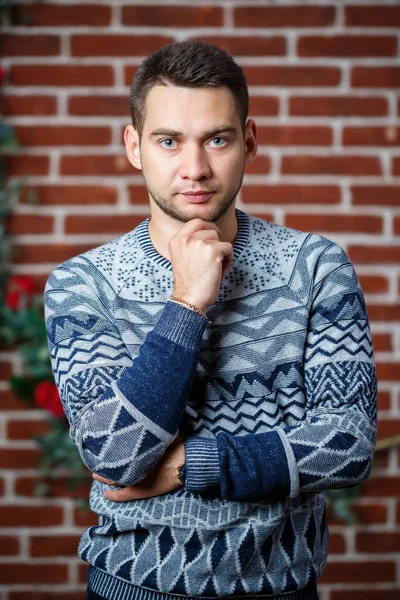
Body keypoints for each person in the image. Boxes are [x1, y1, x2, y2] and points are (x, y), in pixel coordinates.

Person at [44, 41, 377, 600]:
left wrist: (188, 465)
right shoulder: (83, 284)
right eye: (168, 141)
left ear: (249, 140)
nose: (194, 168)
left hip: (283, 588)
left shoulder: (315, 266)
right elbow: (116, 457)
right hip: (133, 586)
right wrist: (187, 304)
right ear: (134, 146)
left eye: (216, 139)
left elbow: (347, 443)